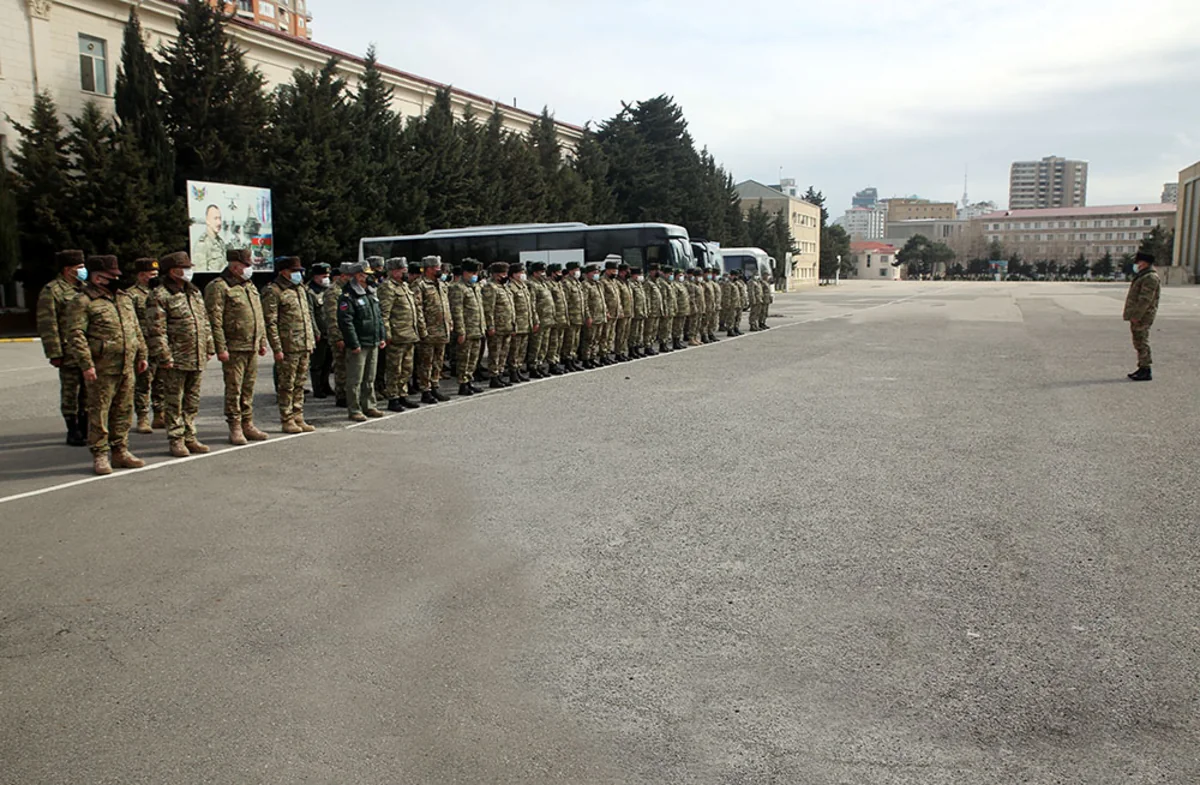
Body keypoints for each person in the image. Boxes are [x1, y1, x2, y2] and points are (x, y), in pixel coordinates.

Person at [66, 255, 149, 475]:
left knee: (123, 410)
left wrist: (142, 354)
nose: (116, 279)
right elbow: (76, 335)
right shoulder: (83, 301)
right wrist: (86, 364)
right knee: (99, 412)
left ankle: (120, 451)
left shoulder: (123, 298)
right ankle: (100, 455)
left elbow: (135, 328)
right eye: (111, 276)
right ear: (97, 277)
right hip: (101, 367)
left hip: (126, 365)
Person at [146, 251, 214, 458]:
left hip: (196, 354)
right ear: (172, 271)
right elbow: (157, 330)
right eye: (184, 268)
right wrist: (164, 356)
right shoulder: (159, 295)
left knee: (192, 400)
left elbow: (204, 321)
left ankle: (190, 436)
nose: (188, 272)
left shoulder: (193, 292)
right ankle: (176, 439)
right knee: (174, 401)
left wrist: (209, 345)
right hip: (175, 358)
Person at [205, 248, 269, 445]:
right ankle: (235, 426)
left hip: (250, 345)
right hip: (233, 347)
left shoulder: (248, 286)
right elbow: (214, 320)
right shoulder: (219, 287)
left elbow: (259, 315)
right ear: (234, 267)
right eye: (246, 266)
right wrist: (220, 347)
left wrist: (262, 341)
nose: (249, 269)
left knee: (248, 388)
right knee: (234, 389)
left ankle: (247, 423)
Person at [37, 249, 89, 446]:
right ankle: (72, 428)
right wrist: (54, 353)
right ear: (68, 269)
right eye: (79, 267)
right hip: (68, 351)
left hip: (86, 349)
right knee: (70, 390)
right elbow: (47, 324)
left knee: (87, 390)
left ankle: (85, 426)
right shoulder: (53, 290)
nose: (83, 270)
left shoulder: (85, 288)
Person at [262, 256, 317, 432]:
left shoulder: (299, 289)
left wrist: (311, 339)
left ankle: (298, 416)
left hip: (303, 344)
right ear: (284, 272)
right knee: (287, 385)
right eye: (295, 271)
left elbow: (307, 315)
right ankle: (287, 419)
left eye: (299, 271)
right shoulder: (274, 290)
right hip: (288, 346)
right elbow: (270, 322)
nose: (298, 274)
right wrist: (277, 348)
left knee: (300, 384)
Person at [337, 261, 386, 421]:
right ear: (359, 276)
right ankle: (355, 409)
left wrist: (381, 336)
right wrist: (353, 343)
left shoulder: (371, 293)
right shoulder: (348, 296)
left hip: (373, 341)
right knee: (355, 379)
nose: (371, 277)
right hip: (359, 343)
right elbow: (346, 321)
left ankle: (369, 405)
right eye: (368, 274)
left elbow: (378, 317)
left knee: (369, 377)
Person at [379, 257, 424, 410]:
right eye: (402, 269)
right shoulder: (387, 287)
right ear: (393, 271)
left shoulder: (404, 286)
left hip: (409, 334)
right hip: (397, 336)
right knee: (394, 369)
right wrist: (387, 334)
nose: (405, 272)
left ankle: (402, 394)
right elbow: (384, 314)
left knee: (407, 368)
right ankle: (393, 397)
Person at [127, 258, 164, 432]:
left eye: (157, 274)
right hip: (144, 345)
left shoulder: (161, 292)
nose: (155, 277)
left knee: (161, 382)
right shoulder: (132, 295)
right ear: (141, 275)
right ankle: (142, 418)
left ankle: (159, 415)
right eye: (152, 274)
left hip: (160, 344)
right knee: (144, 383)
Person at [414, 255, 453, 403]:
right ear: (429, 269)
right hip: (429, 331)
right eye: (437, 267)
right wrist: (422, 330)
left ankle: (435, 386)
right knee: (426, 362)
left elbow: (446, 306)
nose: (439, 270)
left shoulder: (441, 284)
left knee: (438, 361)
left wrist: (450, 323)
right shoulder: (420, 285)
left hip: (442, 330)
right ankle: (425, 390)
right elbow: (418, 309)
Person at [448, 259, 486, 395]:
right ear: (465, 273)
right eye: (472, 272)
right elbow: (457, 311)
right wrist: (460, 331)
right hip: (467, 330)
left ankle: (469, 381)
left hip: (477, 329)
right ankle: (462, 383)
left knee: (473, 358)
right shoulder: (458, 288)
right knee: (464, 358)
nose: (475, 275)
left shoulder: (474, 287)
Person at [1124, 250, 1162, 382]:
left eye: (1139, 262)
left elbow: (1145, 299)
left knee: (1141, 341)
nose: (1137, 265)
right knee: (1138, 341)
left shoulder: (1150, 277)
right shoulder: (1143, 276)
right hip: (1139, 315)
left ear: (1145, 263)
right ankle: (1142, 367)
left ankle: (1146, 369)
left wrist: (1137, 315)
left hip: (1143, 316)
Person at [482, 262, 516, 388]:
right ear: (496, 275)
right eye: (503, 273)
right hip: (497, 327)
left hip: (506, 326)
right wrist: (490, 326)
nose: (505, 276)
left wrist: (513, 324)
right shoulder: (490, 287)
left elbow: (511, 308)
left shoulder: (504, 287)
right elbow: (488, 308)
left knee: (503, 353)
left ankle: (500, 374)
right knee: (495, 353)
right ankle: (494, 377)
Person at [323, 264, 351, 407]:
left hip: (351, 335)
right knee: (341, 367)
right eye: (350, 275)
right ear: (343, 275)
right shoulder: (333, 291)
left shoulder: (349, 289)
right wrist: (338, 337)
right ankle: (341, 395)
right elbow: (332, 317)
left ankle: (349, 393)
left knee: (349, 367)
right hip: (339, 335)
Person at [507, 261, 537, 383]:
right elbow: (510, 308)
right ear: (513, 274)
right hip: (517, 324)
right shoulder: (511, 288)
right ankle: (513, 372)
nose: (523, 274)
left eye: (523, 272)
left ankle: (518, 369)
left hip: (526, 323)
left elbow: (531, 306)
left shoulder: (524, 287)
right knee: (514, 350)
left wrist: (534, 321)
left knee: (522, 350)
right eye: (520, 272)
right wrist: (512, 325)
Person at [307, 263, 333, 398]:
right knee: (318, 362)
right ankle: (317, 388)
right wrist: (315, 332)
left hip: (329, 332)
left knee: (328, 362)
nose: (326, 279)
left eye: (328, 276)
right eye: (323, 276)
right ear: (316, 277)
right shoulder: (310, 292)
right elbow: (310, 314)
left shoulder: (327, 290)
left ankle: (326, 385)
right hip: (319, 333)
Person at [526, 262, 556, 377]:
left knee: (544, 345)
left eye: (544, 271)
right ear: (535, 273)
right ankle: (533, 367)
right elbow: (532, 304)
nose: (543, 274)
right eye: (541, 272)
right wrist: (535, 320)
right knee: (536, 345)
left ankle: (540, 364)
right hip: (540, 320)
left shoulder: (543, 284)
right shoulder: (532, 285)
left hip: (548, 319)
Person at [560, 262, 585, 371]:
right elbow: (565, 302)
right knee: (569, 341)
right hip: (571, 316)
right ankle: (567, 361)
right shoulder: (566, 283)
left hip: (579, 316)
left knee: (575, 340)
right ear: (570, 271)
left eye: (578, 269)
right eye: (575, 269)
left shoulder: (577, 283)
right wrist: (566, 317)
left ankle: (573, 359)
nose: (577, 272)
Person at [582, 263, 608, 368]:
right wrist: (588, 316)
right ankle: (586, 359)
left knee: (596, 339)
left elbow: (602, 300)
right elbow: (585, 303)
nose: (596, 274)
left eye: (597, 272)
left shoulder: (598, 284)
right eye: (594, 272)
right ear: (588, 274)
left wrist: (606, 311)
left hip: (600, 316)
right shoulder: (585, 285)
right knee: (589, 339)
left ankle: (593, 357)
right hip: (592, 317)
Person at [545, 263, 569, 374]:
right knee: (553, 342)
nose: (560, 274)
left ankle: (556, 361)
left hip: (562, 317)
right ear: (552, 273)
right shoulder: (549, 285)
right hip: (554, 318)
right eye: (558, 272)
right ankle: (552, 363)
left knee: (559, 341)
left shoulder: (558, 284)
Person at [193, 204, 227, 271]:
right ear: (207, 221)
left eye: (220, 218)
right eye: (215, 218)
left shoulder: (220, 242)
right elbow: (200, 273)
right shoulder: (202, 244)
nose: (219, 222)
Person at [628, 266, 648, 357]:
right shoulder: (631, 284)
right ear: (634, 275)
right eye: (639, 274)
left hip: (641, 312)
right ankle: (631, 350)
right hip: (635, 312)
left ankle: (636, 349)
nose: (641, 276)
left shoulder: (639, 284)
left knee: (639, 332)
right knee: (633, 332)